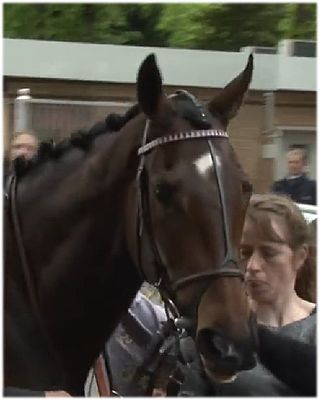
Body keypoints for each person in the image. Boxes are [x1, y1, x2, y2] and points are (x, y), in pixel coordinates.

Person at [178, 193, 316, 396]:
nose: (252, 266)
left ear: (300, 256)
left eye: (269, 253)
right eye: (244, 252)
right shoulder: (214, 332)